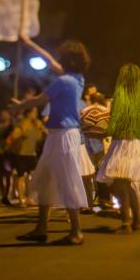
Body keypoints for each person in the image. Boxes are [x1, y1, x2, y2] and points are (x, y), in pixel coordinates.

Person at [13, 38, 91, 245]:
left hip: (63, 135)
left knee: (68, 181)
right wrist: (31, 45)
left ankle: (76, 232)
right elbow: (50, 63)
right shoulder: (77, 79)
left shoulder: (63, 82)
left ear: (65, 59)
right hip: (59, 134)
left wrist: (19, 106)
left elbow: (39, 100)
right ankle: (41, 228)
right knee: (45, 179)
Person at [96, 64, 140, 234]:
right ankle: (138, 221)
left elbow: (115, 122)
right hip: (138, 144)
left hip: (123, 143)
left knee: (119, 183)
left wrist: (102, 132)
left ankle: (126, 221)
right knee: (127, 183)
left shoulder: (120, 96)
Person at [8, 107, 44, 207]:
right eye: (34, 112)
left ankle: (29, 198)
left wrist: (40, 128)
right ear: (28, 113)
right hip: (21, 154)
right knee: (21, 177)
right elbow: (14, 136)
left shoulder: (35, 124)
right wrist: (23, 131)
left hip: (32, 154)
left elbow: (38, 138)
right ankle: (21, 200)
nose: (36, 115)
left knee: (31, 177)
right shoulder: (21, 124)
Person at [80, 91, 111, 208]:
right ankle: (104, 199)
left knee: (87, 174)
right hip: (100, 144)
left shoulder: (84, 111)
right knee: (101, 172)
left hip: (86, 144)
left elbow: (81, 126)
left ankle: (88, 201)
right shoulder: (106, 111)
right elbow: (109, 128)